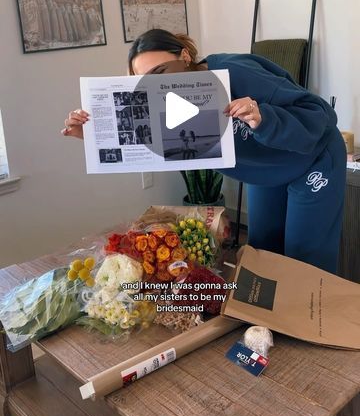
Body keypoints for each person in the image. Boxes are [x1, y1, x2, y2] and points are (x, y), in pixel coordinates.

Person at [62, 29, 346, 274]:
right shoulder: (160, 105)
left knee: (306, 261)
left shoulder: (235, 72)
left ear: (185, 56)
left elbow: (320, 113)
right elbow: (140, 146)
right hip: (266, 169)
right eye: (146, 81)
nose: (157, 85)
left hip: (314, 157)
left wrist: (265, 117)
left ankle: (312, 331)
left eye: (161, 72)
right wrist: (93, 136)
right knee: (264, 256)